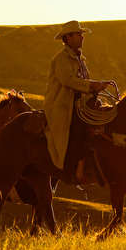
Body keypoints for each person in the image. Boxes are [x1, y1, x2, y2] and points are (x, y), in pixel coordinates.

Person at [43, 20, 113, 184]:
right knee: (77, 128)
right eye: (79, 34)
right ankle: (72, 169)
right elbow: (68, 80)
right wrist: (92, 85)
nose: (82, 37)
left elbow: (83, 80)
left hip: (78, 104)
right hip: (61, 106)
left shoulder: (80, 59)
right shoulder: (61, 59)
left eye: (82, 34)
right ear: (68, 38)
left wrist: (97, 85)